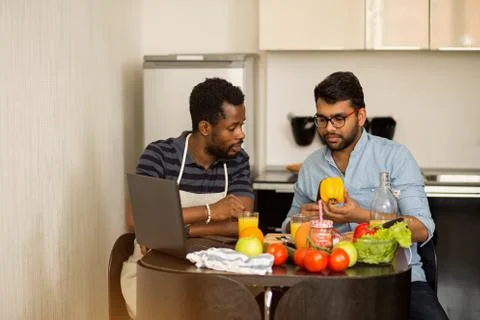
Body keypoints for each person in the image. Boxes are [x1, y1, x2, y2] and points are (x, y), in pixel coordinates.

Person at [281, 71, 448, 320]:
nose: (329, 129)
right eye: (322, 119)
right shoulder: (311, 166)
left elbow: (422, 228)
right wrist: (302, 221)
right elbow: (286, 227)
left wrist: (361, 215)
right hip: (328, 280)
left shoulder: (395, 157)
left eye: (338, 119)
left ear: (360, 116)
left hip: (399, 281)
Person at [121, 77, 254, 319]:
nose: (241, 134)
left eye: (242, 125)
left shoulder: (238, 160)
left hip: (216, 270)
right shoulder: (160, 155)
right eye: (233, 127)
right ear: (205, 128)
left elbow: (241, 224)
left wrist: (176, 230)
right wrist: (212, 212)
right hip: (155, 268)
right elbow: (137, 218)